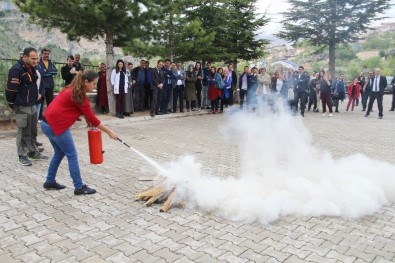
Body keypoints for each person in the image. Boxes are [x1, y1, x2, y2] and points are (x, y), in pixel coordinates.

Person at [41, 70, 117, 195]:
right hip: (56, 126)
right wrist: (110, 132)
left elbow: (85, 116)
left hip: (46, 123)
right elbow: (92, 119)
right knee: (72, 154)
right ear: (85, 82)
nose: (94, 86)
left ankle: (49, 181)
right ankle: (79, 187)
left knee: (59, 153)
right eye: (94, 83)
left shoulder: (72, 89)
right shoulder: (80, 96)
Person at [6, 47, 48, 166]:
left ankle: (32, 152)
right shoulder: (16, 70)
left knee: (32, 129)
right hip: (22, 105)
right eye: (33, 58)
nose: (36, 61)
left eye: (36, 58)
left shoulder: (31, 68)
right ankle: (22, 155)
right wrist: (12, 103)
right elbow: (10, 90)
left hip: (32, 104)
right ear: (24, 57)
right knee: (23, 129)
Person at [37, 48, 58, 121]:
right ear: (42, 54)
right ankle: (39, 118)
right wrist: (49, 72)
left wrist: (46, 71)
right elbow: (40, 72)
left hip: (50, 85)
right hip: (42, 85)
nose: (46, 55)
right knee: (41, 102)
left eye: (48, 54)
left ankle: (50, 117)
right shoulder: (38, 63)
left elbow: (55, 72)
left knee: (50, 102)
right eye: (45, 54)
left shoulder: (51, 63)